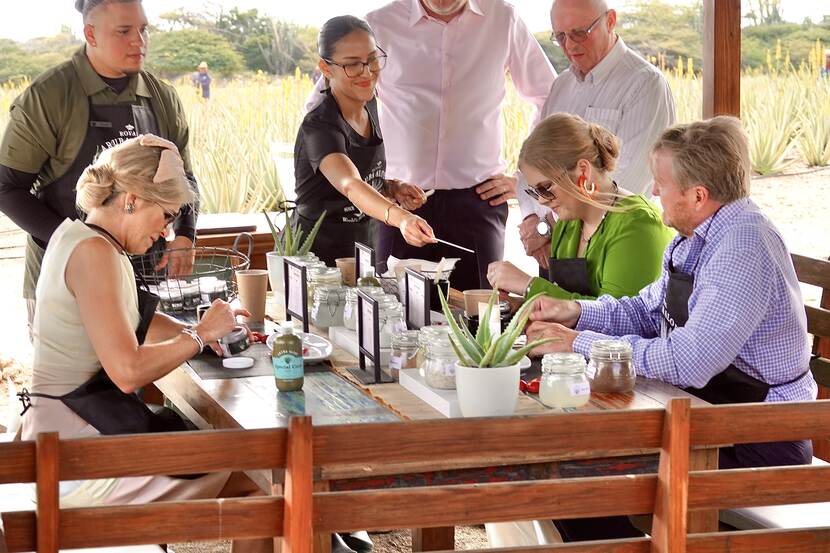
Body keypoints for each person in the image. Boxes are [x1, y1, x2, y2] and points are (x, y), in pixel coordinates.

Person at [526, 116, 817, 542]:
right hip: (705, 416)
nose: (655, 190)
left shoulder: (742, 247)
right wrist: (574, 312)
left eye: (661, 182)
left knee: (580, 472)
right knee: (570, 457)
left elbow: (689, 361)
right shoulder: (697, 236)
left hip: (757, 437)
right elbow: (647, 312)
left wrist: (580, 344)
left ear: (698, 196)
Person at [19, 136, 271, 553]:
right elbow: (127, 372)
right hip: (72, 457)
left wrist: (213, 330)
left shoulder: (78, 237)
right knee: (262, 485)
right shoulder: (95, 254)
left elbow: (137, 321)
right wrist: (200, 335)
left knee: (249, 469)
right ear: (133, 200)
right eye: (166, 215)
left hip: (60, 434)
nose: (166, 230)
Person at [306, 0, 555, 290]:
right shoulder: (379, 24)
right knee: (394, 315)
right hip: (397, 204)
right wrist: (373, 180)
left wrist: (524, 181)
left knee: (475, 319)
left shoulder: (503, 18)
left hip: (478, 203)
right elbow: (323, 105)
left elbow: (548, 96)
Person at [0, 0, 199, 331]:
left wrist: (186, 234)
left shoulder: (162, 97)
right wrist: (80, 245)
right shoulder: (49, 96)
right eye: (124, 31)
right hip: (64, 280)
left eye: (143, 29)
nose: (139, 41)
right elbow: (6, 187)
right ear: (90, 34)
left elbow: (186, 178)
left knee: (150, 381)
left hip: (145, 277)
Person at [517, 0, 675, 272]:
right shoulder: (561, 85)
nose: (570, 45)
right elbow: (532, 161)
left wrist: (550, 225)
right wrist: (533, 218)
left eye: (580, 33)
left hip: (614, 243)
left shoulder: (645, 84)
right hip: (555, 243)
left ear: (610, 20)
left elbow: (628, 182)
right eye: (560, 37)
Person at [295, 15, 434, 267]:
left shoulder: (369, 104)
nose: (367, 72)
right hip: (314, 262)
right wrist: (401, 218)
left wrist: (392, 187)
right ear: (326, 68)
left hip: (361, 252)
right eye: (352, 65)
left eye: (371, 59)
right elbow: (349, 184)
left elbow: (363, 176)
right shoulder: (319, 126)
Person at [487, 113, 673, 301]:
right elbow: (564, 303)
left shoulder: (638, 225)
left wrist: (528, 286)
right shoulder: (570, 221)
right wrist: (516, 305)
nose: (542, 201)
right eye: (535, 192)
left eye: (545, 188)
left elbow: (618, 318)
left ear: (583, 170)